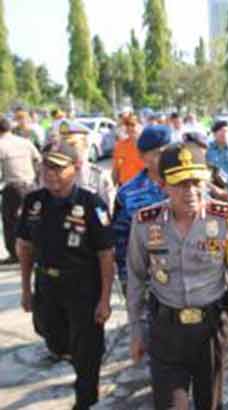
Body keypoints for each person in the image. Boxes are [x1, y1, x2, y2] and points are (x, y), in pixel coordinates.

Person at [126, 144, 228, 410]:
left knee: (210, 404)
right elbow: (136, 278)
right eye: (181, 184)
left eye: (197, 182)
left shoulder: (225, 219)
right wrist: (137, 330)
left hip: (210, 329)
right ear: (163, 184)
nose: (191, 191)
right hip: (166, 329)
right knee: (174, 405)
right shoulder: (145, 223)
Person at [16, 140, 115, 410]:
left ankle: (86, 400)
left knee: (87, 353)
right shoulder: (33, 202)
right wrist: (26, 288)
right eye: (46, 167)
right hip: (47, 284)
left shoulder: (91, 205)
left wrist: (105, 299)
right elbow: (25, 246)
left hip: (83, 287)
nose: (50, 173)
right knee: (52, 336)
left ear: (76, 168)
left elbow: (106, 255)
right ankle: (76, 354)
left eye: (58, 168)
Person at [112, 125, 170, 292]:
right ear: (143, 157)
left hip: (182, 277)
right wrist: (126, 277)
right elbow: (120, 238)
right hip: (144, 278)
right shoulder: (128, 192)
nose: (164, 158)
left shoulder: (184, 185)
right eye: (158, 153)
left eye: (167, 151)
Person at [0, 116, 41, 264]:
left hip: (12, 188)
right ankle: (36, 252)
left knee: (10, 222)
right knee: (33, 219)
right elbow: (38, 160)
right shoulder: (25, 142)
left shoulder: (1, 145)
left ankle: (15, 255)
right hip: (30, 186)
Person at [57, 121, 116, 212]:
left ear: (85, 145)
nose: (67, 149)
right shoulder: (54, 174)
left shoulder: (98, 176)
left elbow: (105, 211)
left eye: (73, 144)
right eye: (64, 145)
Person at [112, 115, 145, 186]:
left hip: (143, 187)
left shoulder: (147, 145)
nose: (129, 128)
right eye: (127, 125)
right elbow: (115, 168)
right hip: (125, 187)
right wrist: (113, 184)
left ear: (140, 126)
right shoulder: (120, 145)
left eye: (132, 125)